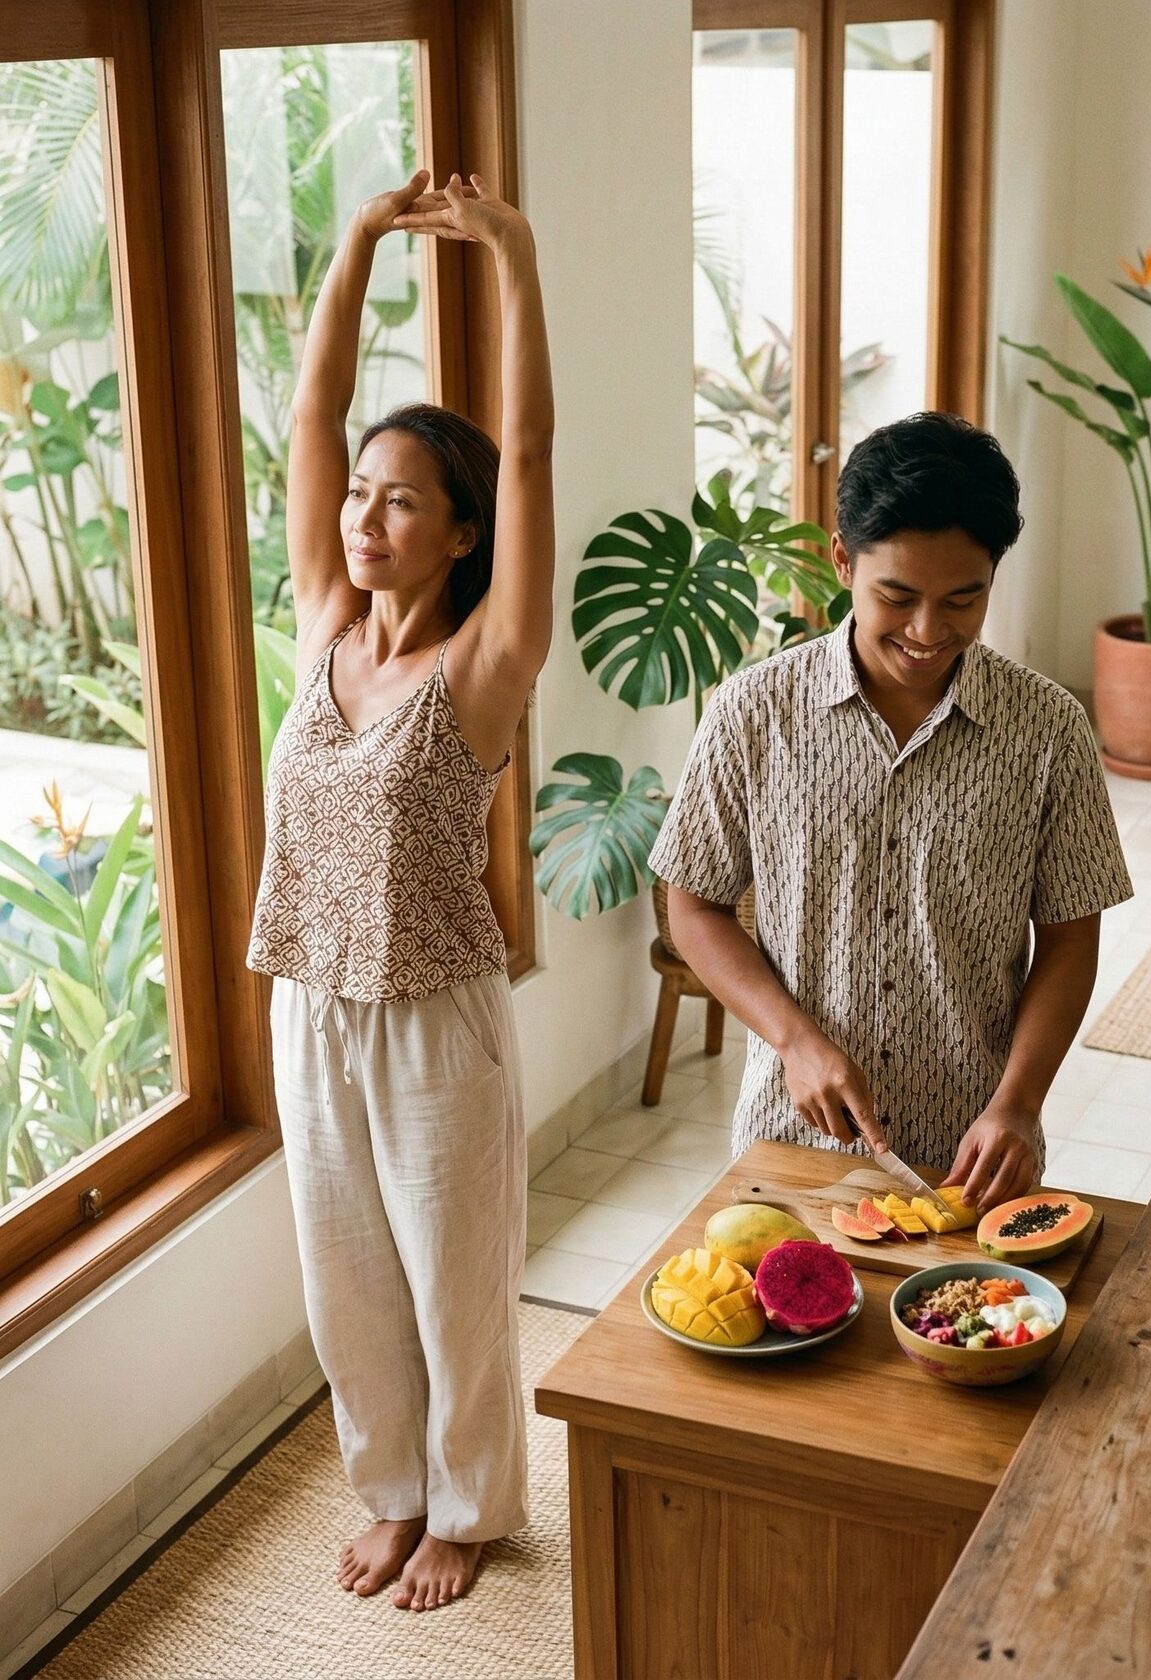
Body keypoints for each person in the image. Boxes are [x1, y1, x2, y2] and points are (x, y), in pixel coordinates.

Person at [246, 170, 554, 1611]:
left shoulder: (481, 671)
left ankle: (470, 1507)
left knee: (454, 1280)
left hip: (437, 1017)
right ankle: (390, 1486)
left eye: (403, 503)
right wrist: (357, 243)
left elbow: (538, 453)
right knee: (347, 1281)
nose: (365, 520)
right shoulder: (323, 619)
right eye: (359, 498)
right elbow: (308, 420)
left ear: (464, 531)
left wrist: (514, 258)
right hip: (310, 1001)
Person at [652, 412, 1133, 1210]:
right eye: (897, 596)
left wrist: (1018, 1103)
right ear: (843, 560)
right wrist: (796, 1042)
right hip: (792, 1142)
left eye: (961, 601)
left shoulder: (1048, 728)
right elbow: (693, 904)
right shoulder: (752, 712)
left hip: (975, 1153)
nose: (926, 631)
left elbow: (1071, 934)